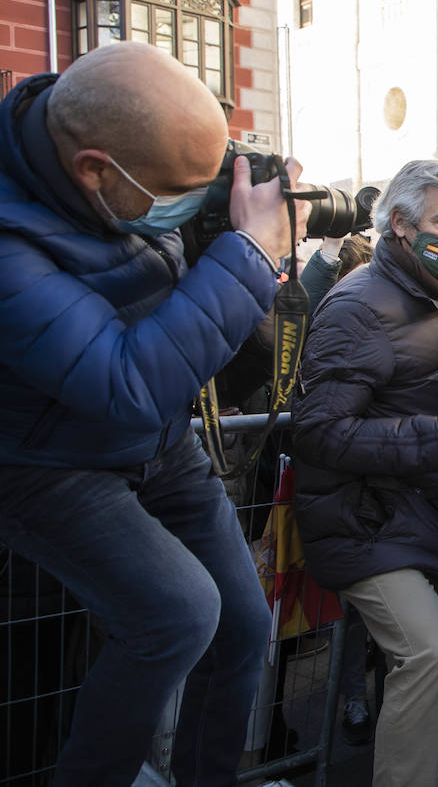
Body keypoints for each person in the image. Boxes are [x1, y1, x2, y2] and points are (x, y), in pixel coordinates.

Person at [0, 42, 306, 785]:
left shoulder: (129, 170)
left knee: (242, 622)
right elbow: (125, 381)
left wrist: (230, 224)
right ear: (95, 170)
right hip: (50, 463)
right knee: (175, 613)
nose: (190, 205)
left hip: (162, 447)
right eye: (179, 192)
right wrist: (247, 254)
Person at [291, 159, 438, 787]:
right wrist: (437, 436)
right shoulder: (357, 305)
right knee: (431, 651)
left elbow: (432, 377)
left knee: (419, 659)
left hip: (415, 513)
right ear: (403, 225)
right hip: (364, 520)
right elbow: (320, 431)